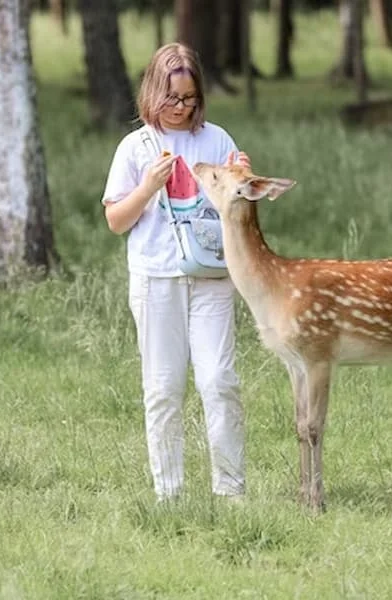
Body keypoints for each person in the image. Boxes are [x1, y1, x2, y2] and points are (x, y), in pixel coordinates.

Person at [101, 42, 252, 502]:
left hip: (211, 276)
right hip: (156, 278)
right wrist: (147, 186)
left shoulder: (217, 139)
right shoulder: (134, 147)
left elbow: (237, 210)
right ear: (152, 93)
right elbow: (115, 222)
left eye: (188, 99)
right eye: (171, 99)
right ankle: (170, 497)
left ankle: (231, 493)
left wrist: (242, 179)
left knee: (218, 382)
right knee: (164, 388)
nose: (180, 108)